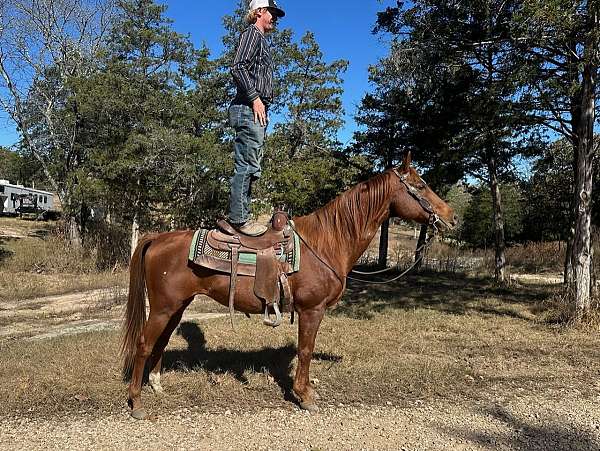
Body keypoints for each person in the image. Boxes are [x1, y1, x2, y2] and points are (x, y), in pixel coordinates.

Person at [227, 0, 286, 236]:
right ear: (259, 11)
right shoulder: (252, 34)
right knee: (247, 165)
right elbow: (238, 66)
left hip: (254, 110)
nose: (275, 18)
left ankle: (241, 216)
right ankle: (239, 220)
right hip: (247, 107)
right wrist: (255, 99)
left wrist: (261, 106)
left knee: (253, 166)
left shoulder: (260, 40)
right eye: (272, 12)